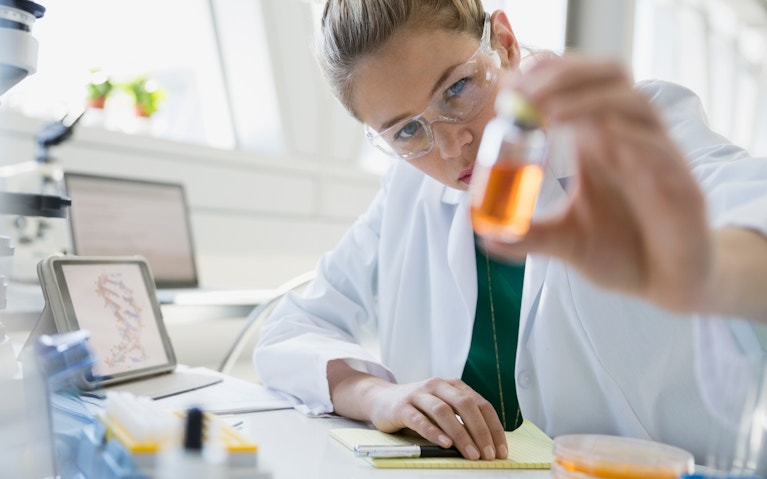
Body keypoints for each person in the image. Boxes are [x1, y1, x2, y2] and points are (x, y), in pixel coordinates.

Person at [254, 0, 767, 462]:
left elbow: (751, 214)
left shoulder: (636, 128)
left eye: (457, 89)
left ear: (503, 43)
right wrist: (379, 397)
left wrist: (685, 265)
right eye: (408, 130)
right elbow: (291, 330)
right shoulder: (407, 194)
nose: (454, 147)